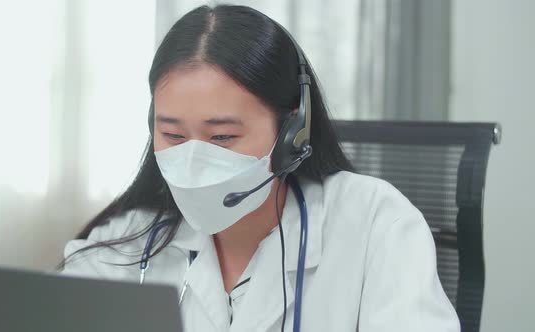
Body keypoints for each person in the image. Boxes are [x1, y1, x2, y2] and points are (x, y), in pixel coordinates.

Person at [61, 4, 460, 332]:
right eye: (174, 136)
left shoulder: (376, 224)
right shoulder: (126, 240)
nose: (194, 162)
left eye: (222, 138)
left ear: (292, 134)